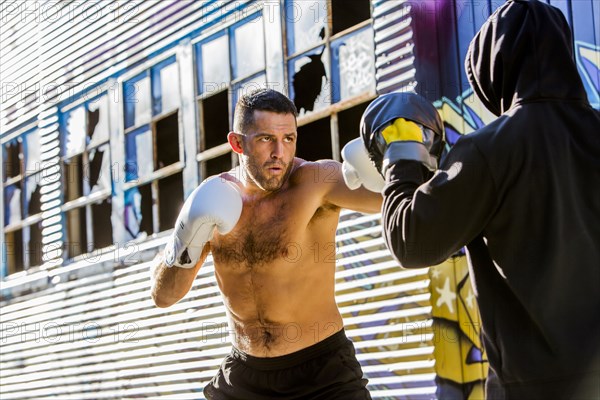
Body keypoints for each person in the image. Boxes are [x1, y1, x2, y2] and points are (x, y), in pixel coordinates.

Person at [360, 1, 600, 399]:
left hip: (533, 389)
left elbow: (411, 240)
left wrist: (400, 155)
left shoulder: (490, 150)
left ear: (495, 66)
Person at [150, 88, 383, 399]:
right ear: (237, 143)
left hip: (322, 374)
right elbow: (164, 297)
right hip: (245, 376)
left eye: (289, 139)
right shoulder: (214, 199)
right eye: (265, 139)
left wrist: (397, 167)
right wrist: (185, 236)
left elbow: (386, 201)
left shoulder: (316, 182)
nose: (279, 153)